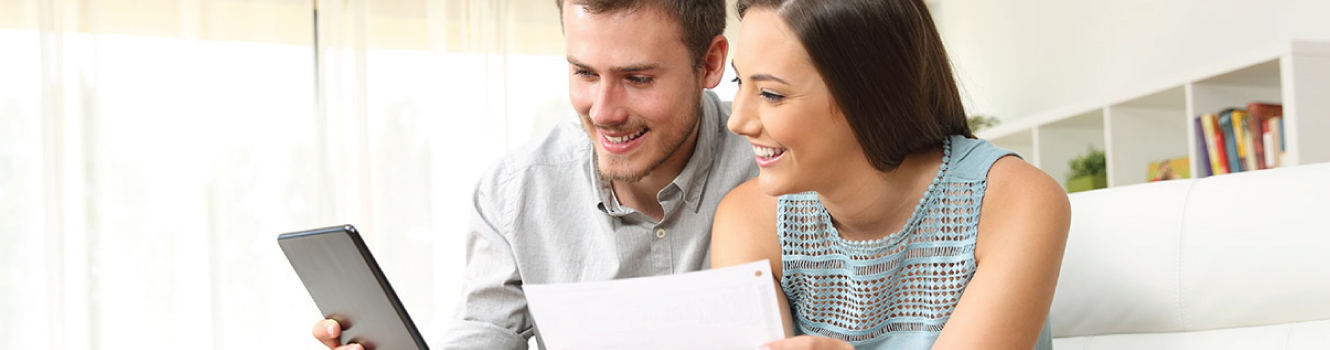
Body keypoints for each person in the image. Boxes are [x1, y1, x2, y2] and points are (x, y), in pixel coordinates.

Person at [312, 0, 756, 349]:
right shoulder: (514, 192)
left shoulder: (777, 165)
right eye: (583, 72)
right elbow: (481, 334)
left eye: (637, 78)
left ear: (712, 64)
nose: (603, 112)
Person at [711, 0, 1071, 349]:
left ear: (869, 94)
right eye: (739, 82)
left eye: (771, 94)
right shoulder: (748, 220)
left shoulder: (1016, 200)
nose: (737, 120)